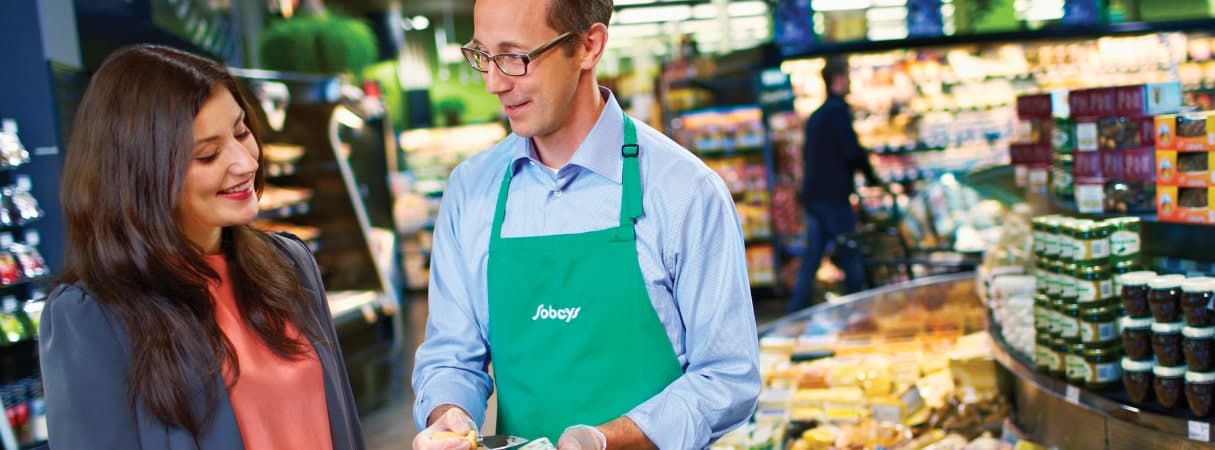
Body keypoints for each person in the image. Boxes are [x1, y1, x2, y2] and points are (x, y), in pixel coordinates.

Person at [410, 0, 761, 448]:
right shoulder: (470, 191)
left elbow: (727, 377)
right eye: (483, 55)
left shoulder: (685, 192)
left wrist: (601, 441)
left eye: (515, 57)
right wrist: (448, 416)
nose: (494, 83)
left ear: (588, 47)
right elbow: (451, 357)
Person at [40, 45, 364, 450]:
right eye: (208, 155)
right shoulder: (92, 316)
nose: (245, 162)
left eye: (242, 131)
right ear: (143, 175)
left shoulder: (289, 264)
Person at [789, 56, 882, 313]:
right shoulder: (838, 112)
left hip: (814, 196)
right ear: (838, 80)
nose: (850, 82)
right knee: (850, 252)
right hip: (834, 197)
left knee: (811, 259)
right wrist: (872, 177)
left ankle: (795, 312)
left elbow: (807, 156)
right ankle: (859, 309)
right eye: (847, 77)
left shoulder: (816, 116)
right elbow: (852, 151)